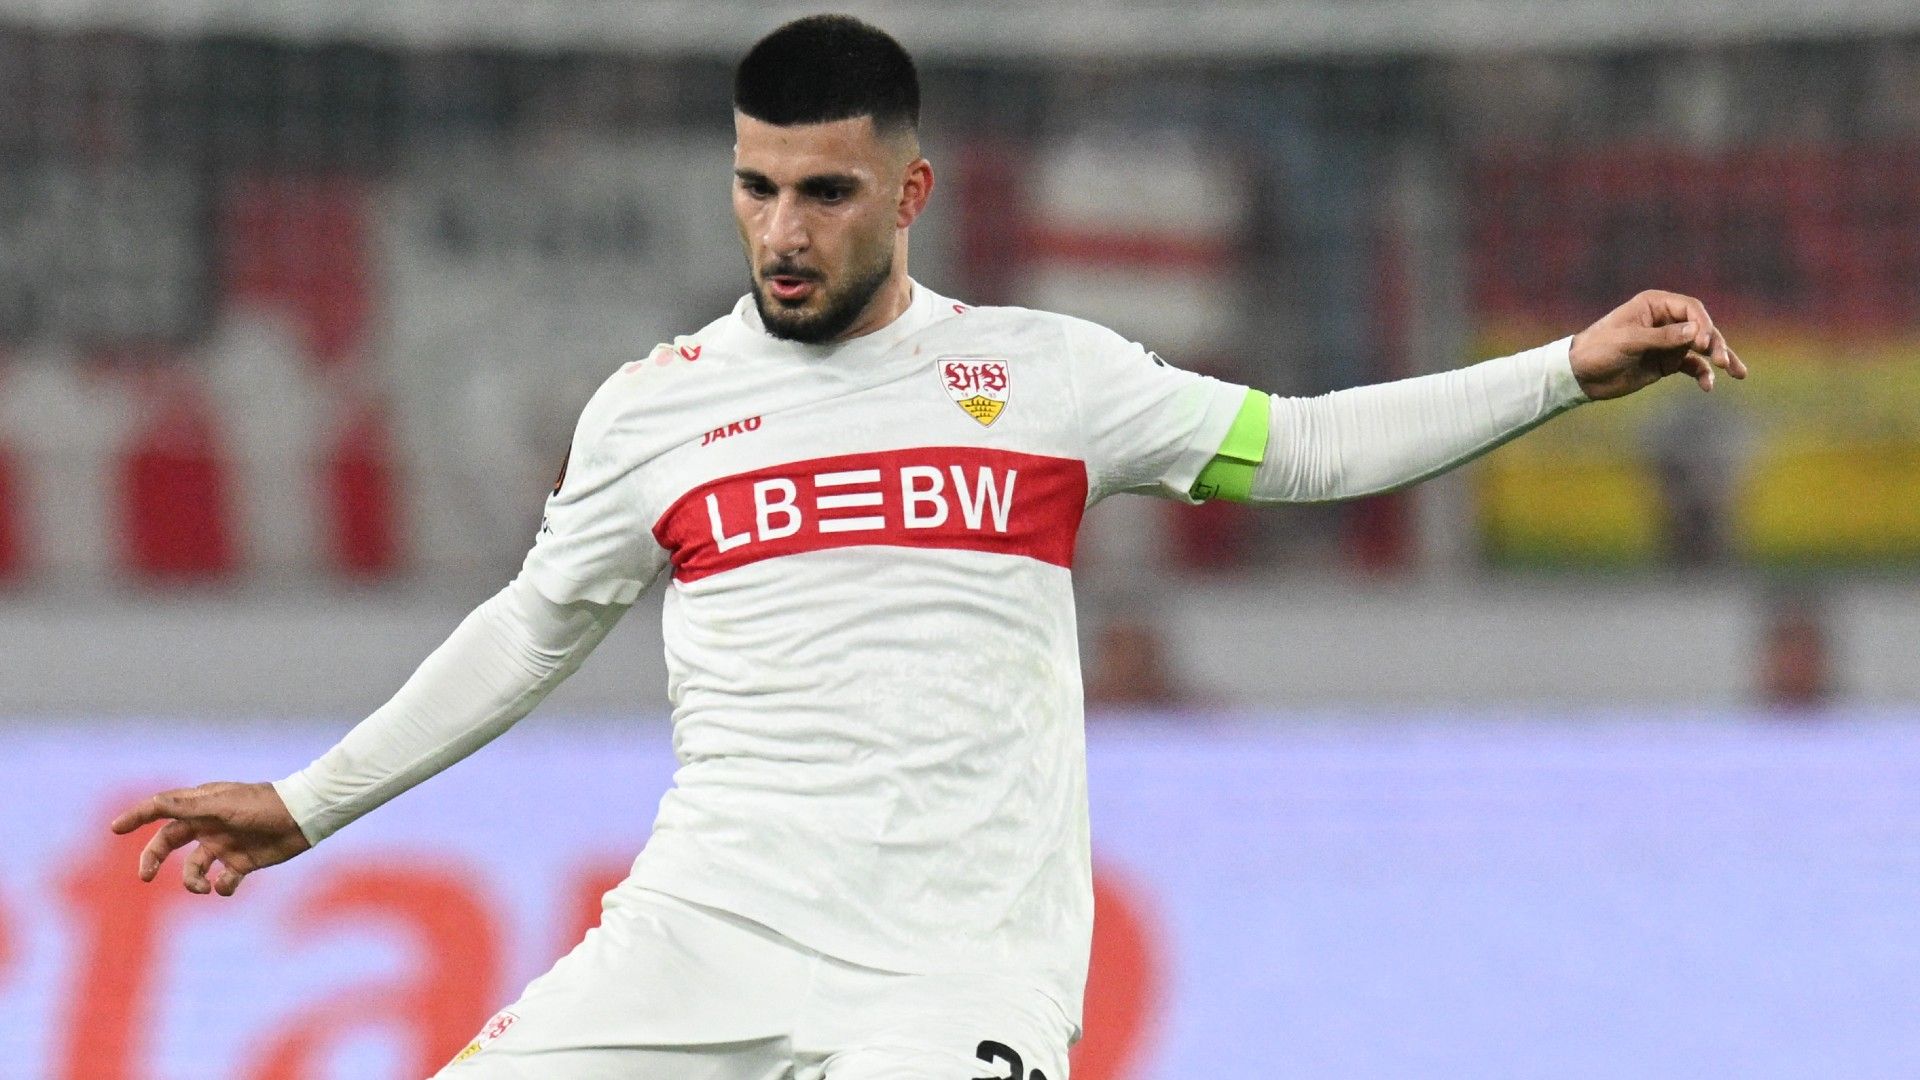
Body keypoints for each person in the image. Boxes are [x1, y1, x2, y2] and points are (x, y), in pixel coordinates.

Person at [108, 14, 1746, 1079]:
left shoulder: (1050, 378)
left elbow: (1301, 447)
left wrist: (1563, 373)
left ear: (913, 193)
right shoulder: (657, 406)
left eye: (824, 193)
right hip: (705, 932)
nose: (782, 231)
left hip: (952, 966)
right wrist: (312, 803)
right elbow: (533, 627)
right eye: (756, 190)